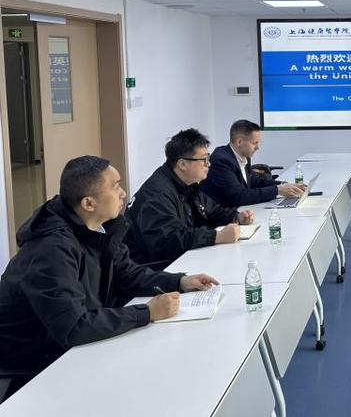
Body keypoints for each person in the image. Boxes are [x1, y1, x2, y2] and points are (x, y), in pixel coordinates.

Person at [0, 156, 217, 398]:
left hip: (66, 350)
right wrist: (146, 312)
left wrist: (179, 281)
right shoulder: (51, 249)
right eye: (115, 186)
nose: (123, 193)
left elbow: (128, 274)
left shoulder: (100, 227)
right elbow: (74, 327)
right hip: (27, 371)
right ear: (89, 203)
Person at [125, 128, 255, 267]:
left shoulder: (186, 183)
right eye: (203, 159)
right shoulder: (157, 194)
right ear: (182, 164)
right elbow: (168, 241)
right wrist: (216, 237)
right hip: (153, 268)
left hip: (180, 258)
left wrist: (236, 217)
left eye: (208, 158)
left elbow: (211, 211)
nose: (208, 164)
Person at [201, 119, 304, 208]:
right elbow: (239, 196)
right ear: (239, 142)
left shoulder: (243, 156)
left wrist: (284, 185)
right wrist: (277, 190)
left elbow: (255, 181)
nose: (258, 147)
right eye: (254, 143)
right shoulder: (222, 160)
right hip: (223, 218)